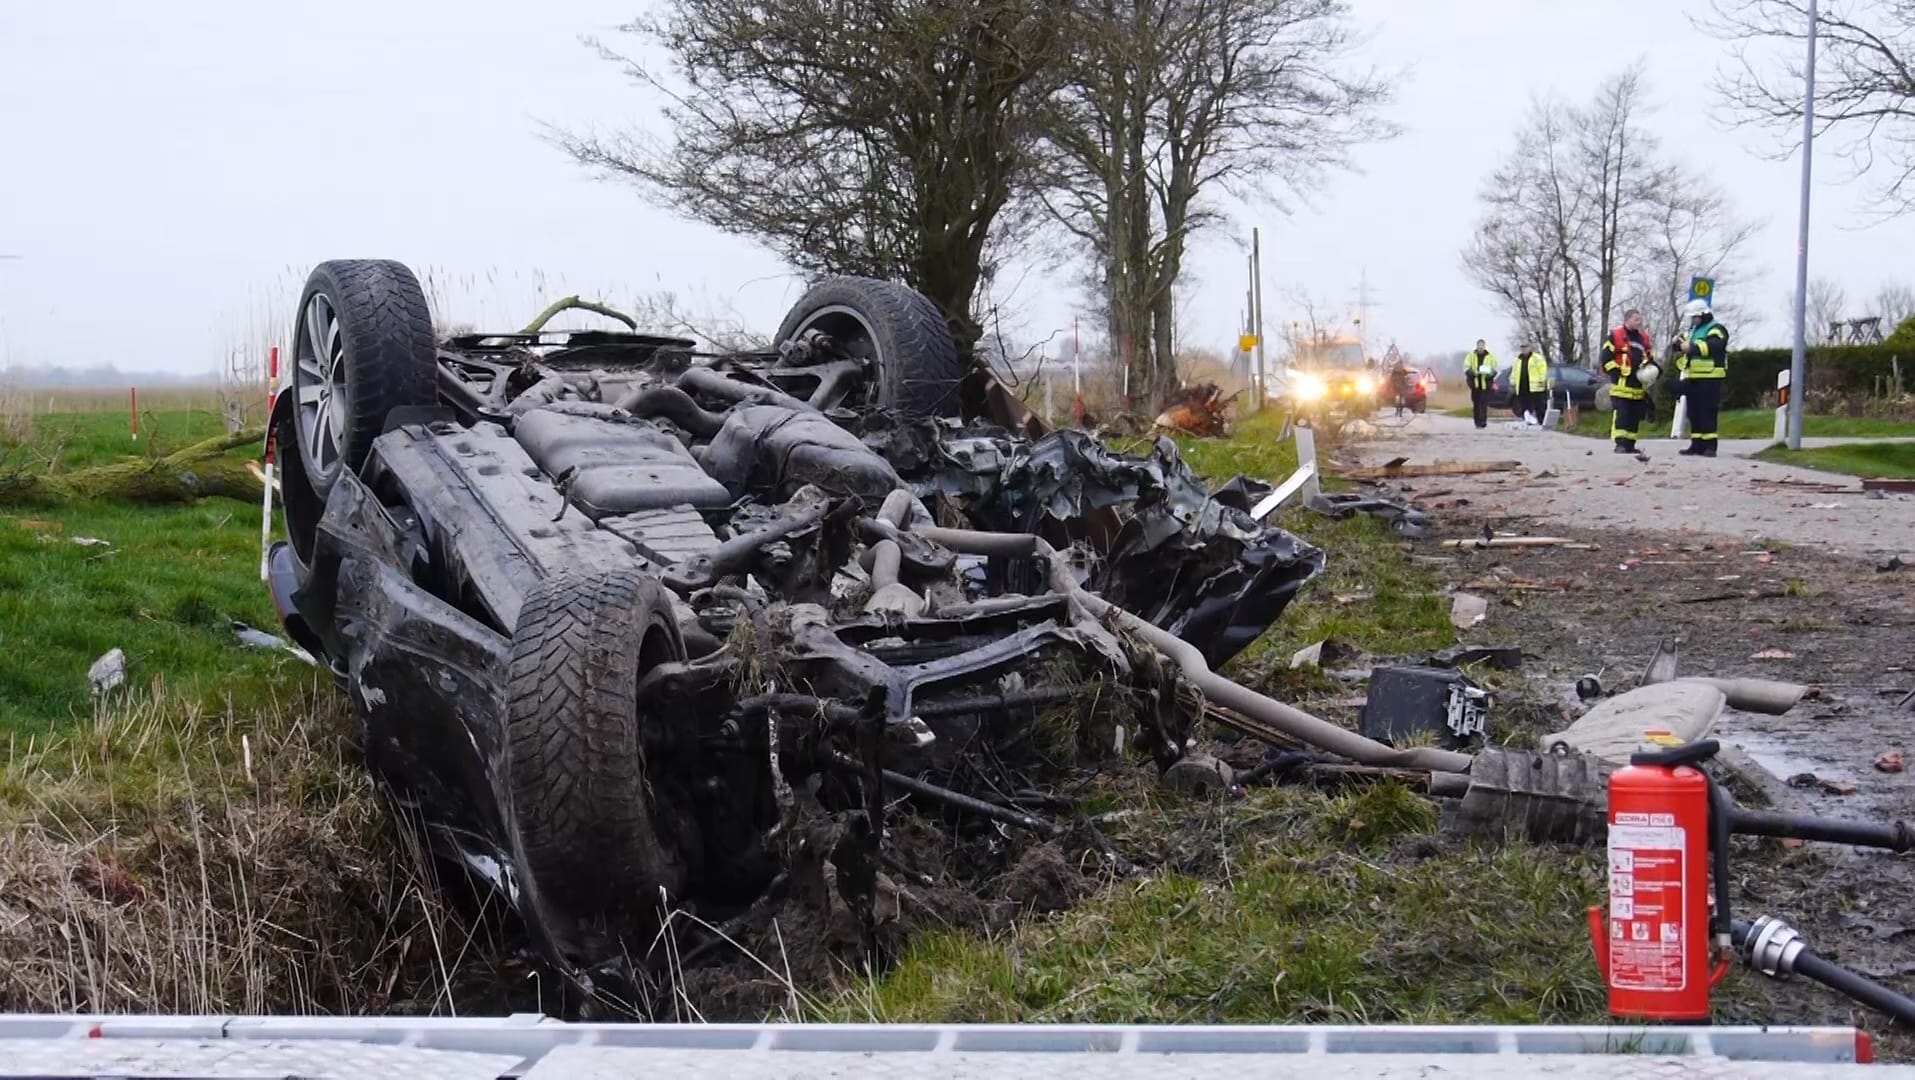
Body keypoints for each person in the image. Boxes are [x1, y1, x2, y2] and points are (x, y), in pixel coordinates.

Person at [1673, 298, 1728, 456]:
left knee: (1707, 412)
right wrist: (1677, 343)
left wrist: (1692, 347)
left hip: (1711, 378)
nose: (1694, 320)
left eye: (1695, 317)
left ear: (1704, 314)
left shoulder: (1716, 329)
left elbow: (1715, 346)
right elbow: (1681, 344)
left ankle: (1710, 446)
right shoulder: (1693, 330)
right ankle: (1696, 445)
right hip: (1693, 377)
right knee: (1694, 413)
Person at [1600, 309, 1656, 454]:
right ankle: (1620, 444)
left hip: (1638, 384)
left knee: (1635, 416)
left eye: (1640, 319)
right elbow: (1606, 358)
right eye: (1636, 319)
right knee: (1622, 415)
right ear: (1628, 320)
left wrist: (1650, 369)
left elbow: (1649, 356)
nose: (1639, 322)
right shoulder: (1616, 335)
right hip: (1622, 384)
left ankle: (1630, 444)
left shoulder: (1643, 338)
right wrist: (1617, 373)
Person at [1511, 342, 1549, 427]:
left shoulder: (1537, 358)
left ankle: (1541, 422)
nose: (1524, 349)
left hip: (1535, 387)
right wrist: (1512, 382)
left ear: (1530, 348)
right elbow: (1514, 372)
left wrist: (1542, 380)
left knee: (1539, 406)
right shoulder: (1518, 360)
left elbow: (1543, 370)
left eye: (1526, 347)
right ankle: (1528, 421)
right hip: (1522, 387)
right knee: (1525, 406)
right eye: (1523, 347)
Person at [1464, 339, 1497, 429]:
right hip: (1475, 384)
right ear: (1477, 346)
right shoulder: (1471, 356)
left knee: (1484, 403)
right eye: (1479, 345)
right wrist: (1473, 373)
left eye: (1482, 345)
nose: (1481, 347)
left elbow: (1494, 369)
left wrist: (1490, 374)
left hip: (1486, 384)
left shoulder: (1490, 356)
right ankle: (1477, 421)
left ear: (1485, 346)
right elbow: (1466, 368)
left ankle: (1483, 421)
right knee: (1476, 404)